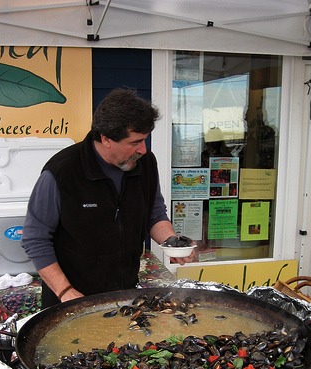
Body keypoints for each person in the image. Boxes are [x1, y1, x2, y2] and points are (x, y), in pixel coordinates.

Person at [21, 88, 194, 309]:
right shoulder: (62, 172)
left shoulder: (146, 164)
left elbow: (155, 214)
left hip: (125, 293)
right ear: (106, 138)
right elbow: (35, 239)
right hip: (72, 297)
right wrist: (65, 291)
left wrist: (172, 243)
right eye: (135, 142)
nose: (143, 149)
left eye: (145, 140)